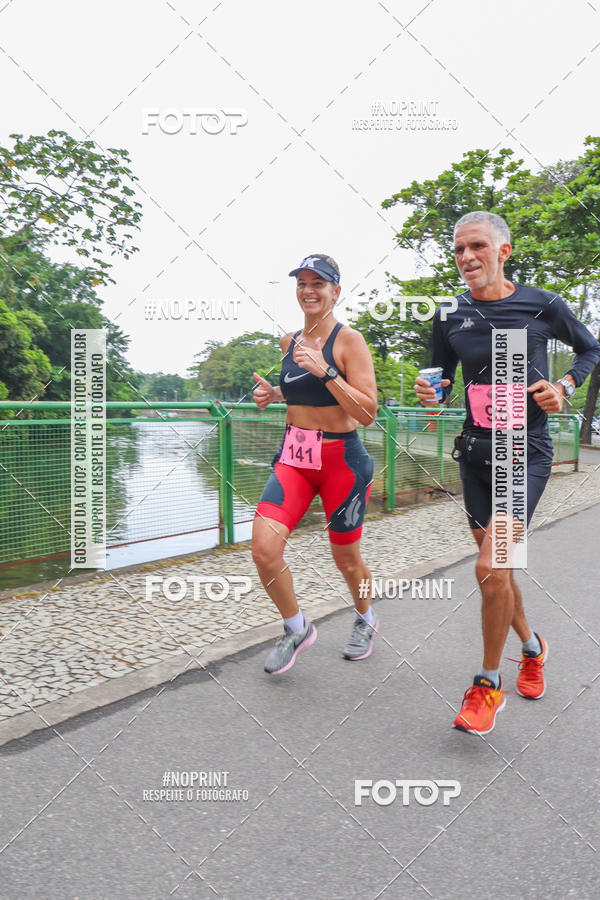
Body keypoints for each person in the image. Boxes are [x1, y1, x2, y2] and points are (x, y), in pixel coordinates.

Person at [415, 211, 600, 735]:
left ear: (503, 251)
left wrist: (564, 385)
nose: (466, 257)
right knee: (499, 571)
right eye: (458, 249)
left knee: (490, 567)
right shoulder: (449, 313)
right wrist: (432, 393)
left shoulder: (543, 304)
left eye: (477, 246)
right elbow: (441, 382)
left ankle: (488, 685)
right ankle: (533, 648)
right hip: (475, 454)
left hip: (524, 453)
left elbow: (591, 348)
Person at [251, 253, 378, 674]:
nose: (309, 290)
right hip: (294, 459)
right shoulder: (288, 342)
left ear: (335, 292)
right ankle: (296, 628)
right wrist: (275, 395)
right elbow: (303, 391)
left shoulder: (349, 341)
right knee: (264, 550)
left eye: (318, 283)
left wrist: (327, 372)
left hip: (342, 462)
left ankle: (365, 618)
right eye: (302, 283)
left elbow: (367, 412)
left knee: (346, 559)